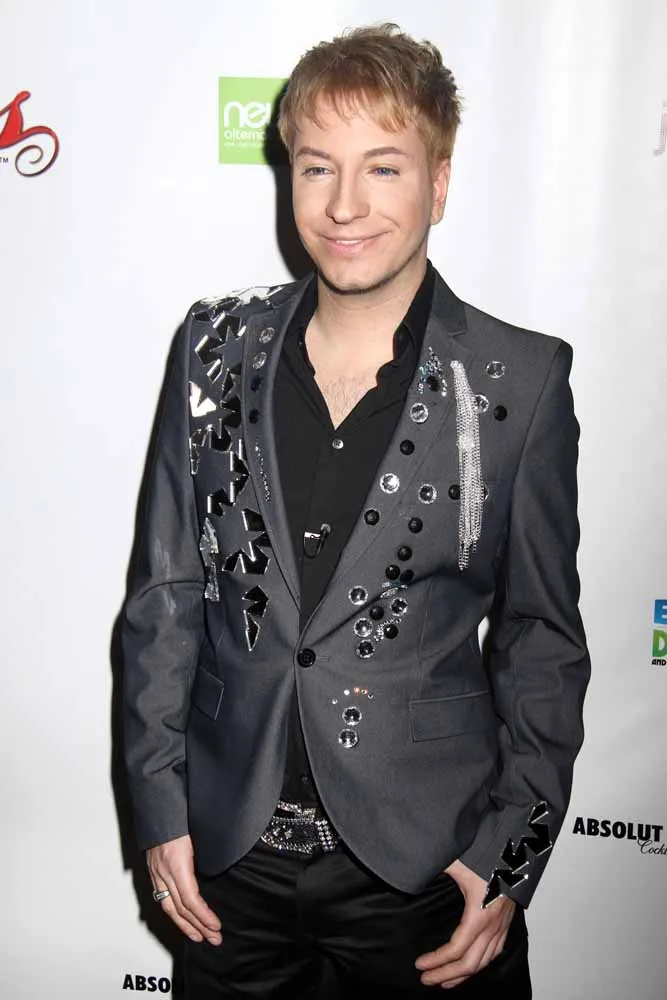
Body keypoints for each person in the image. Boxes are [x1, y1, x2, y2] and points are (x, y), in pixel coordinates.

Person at [122, 23, 590, 998]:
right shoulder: (211, 348)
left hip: (426, 872)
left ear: (438, 182)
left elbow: (542, 642)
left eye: (382, 167)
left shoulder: (519, 379)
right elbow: (165, 598)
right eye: (316, 167)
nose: (343, 205)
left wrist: (509, 860)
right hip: (230, 866)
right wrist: (159, 811)